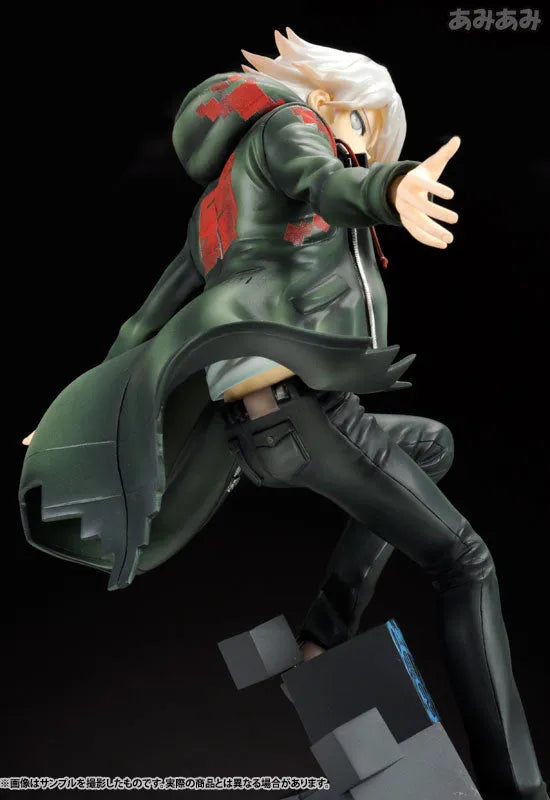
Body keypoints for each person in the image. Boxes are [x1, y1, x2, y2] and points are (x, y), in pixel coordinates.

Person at [21, 29, 547, 800]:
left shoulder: (218, 204)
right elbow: (328, 184)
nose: (358, 146)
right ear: (328, 101)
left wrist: (69, 419)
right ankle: (519, 790)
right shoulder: (293, 127)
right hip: (311, 415)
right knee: (466, 564)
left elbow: (142, 325)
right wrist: (390, 189)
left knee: (431, 444)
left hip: (255, 435)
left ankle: (322, 637)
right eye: (362, 126)